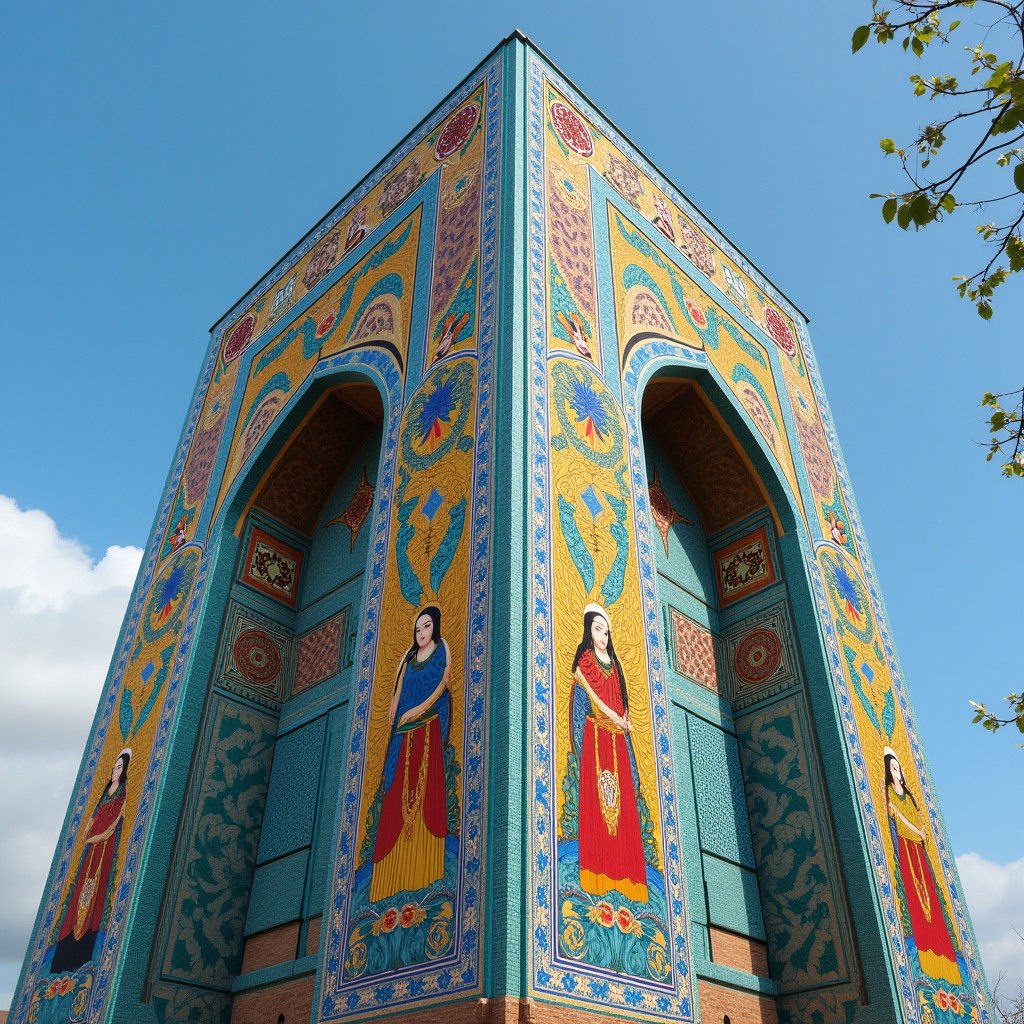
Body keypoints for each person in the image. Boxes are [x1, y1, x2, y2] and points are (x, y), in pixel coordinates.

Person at [369, 607, 452, 903]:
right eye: (417, 629)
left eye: (426, 626)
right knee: (396, 795)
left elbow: (441, 686)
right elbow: (397, 695)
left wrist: (416, 712)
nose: (421, 633)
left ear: (435, 627)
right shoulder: (408, 659)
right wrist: (396, 711)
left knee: (426, 795)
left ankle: (425, 871)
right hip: (403, 736)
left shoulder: (441, 652)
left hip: (427, 730)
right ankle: (390, 879)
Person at [569, 604, 648, 902]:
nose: (602, 636)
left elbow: (620, 699)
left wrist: (622, 720)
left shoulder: (614, 666)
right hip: (596, 738)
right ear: (588, 631)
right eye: (597, 629)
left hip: (617, 742)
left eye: (606, 631)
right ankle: (596, 876)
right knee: (598, 806)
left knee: (623, 808)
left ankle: (628, 879)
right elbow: (584, 702)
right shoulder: (585, 662)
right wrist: (614, 719)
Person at [883, 748, 962, 986]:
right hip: (906, 849)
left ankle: (945, 956)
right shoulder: (889, 793)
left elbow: (920, 822)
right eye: (893, 768)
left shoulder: (909, 796)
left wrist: (921, 831)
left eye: (898, 768)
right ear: (888, 771)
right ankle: (924, 953)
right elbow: (896, 818)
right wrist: (915, 830)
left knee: (931, 899)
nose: (897, 772)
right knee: (915, 898)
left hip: (919, 851)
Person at [50, 749, 131, 974]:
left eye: (119, 767)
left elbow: (115, 818)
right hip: (90, 851)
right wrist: (88, 831)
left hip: (104, 847)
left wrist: (97, 836)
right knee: (80, 894)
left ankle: (84, 950)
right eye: (114, 767)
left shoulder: (122, 791)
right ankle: (64, 954)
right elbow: (94, 816)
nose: (115, 771)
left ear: (124, 770)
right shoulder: (106, 791)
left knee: (95, 894)